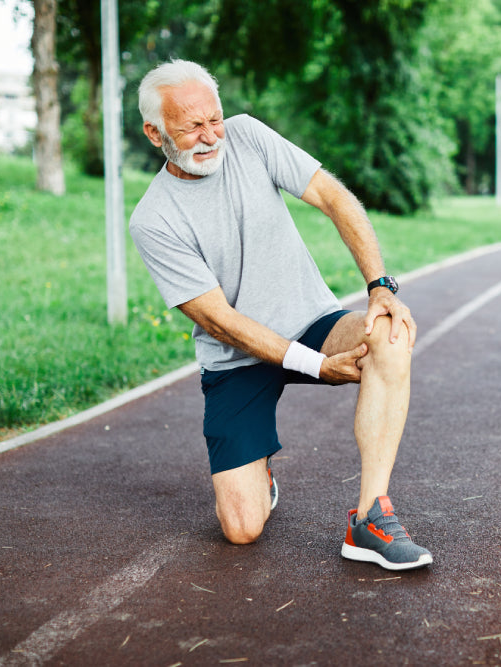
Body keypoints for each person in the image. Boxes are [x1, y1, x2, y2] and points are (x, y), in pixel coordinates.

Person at [128, 60, 432, 571]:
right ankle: (259, 475)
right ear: (154, 132)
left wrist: (379, 287)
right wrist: (314, 367)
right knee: (241, 530)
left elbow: (333, 197)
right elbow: (219, 321)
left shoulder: (247, 136)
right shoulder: (153, 219)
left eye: (214, 119)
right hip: (236, 359)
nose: (210, 136)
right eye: (191, 127)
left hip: (313, 322)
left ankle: (370, 518)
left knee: (389, 333)